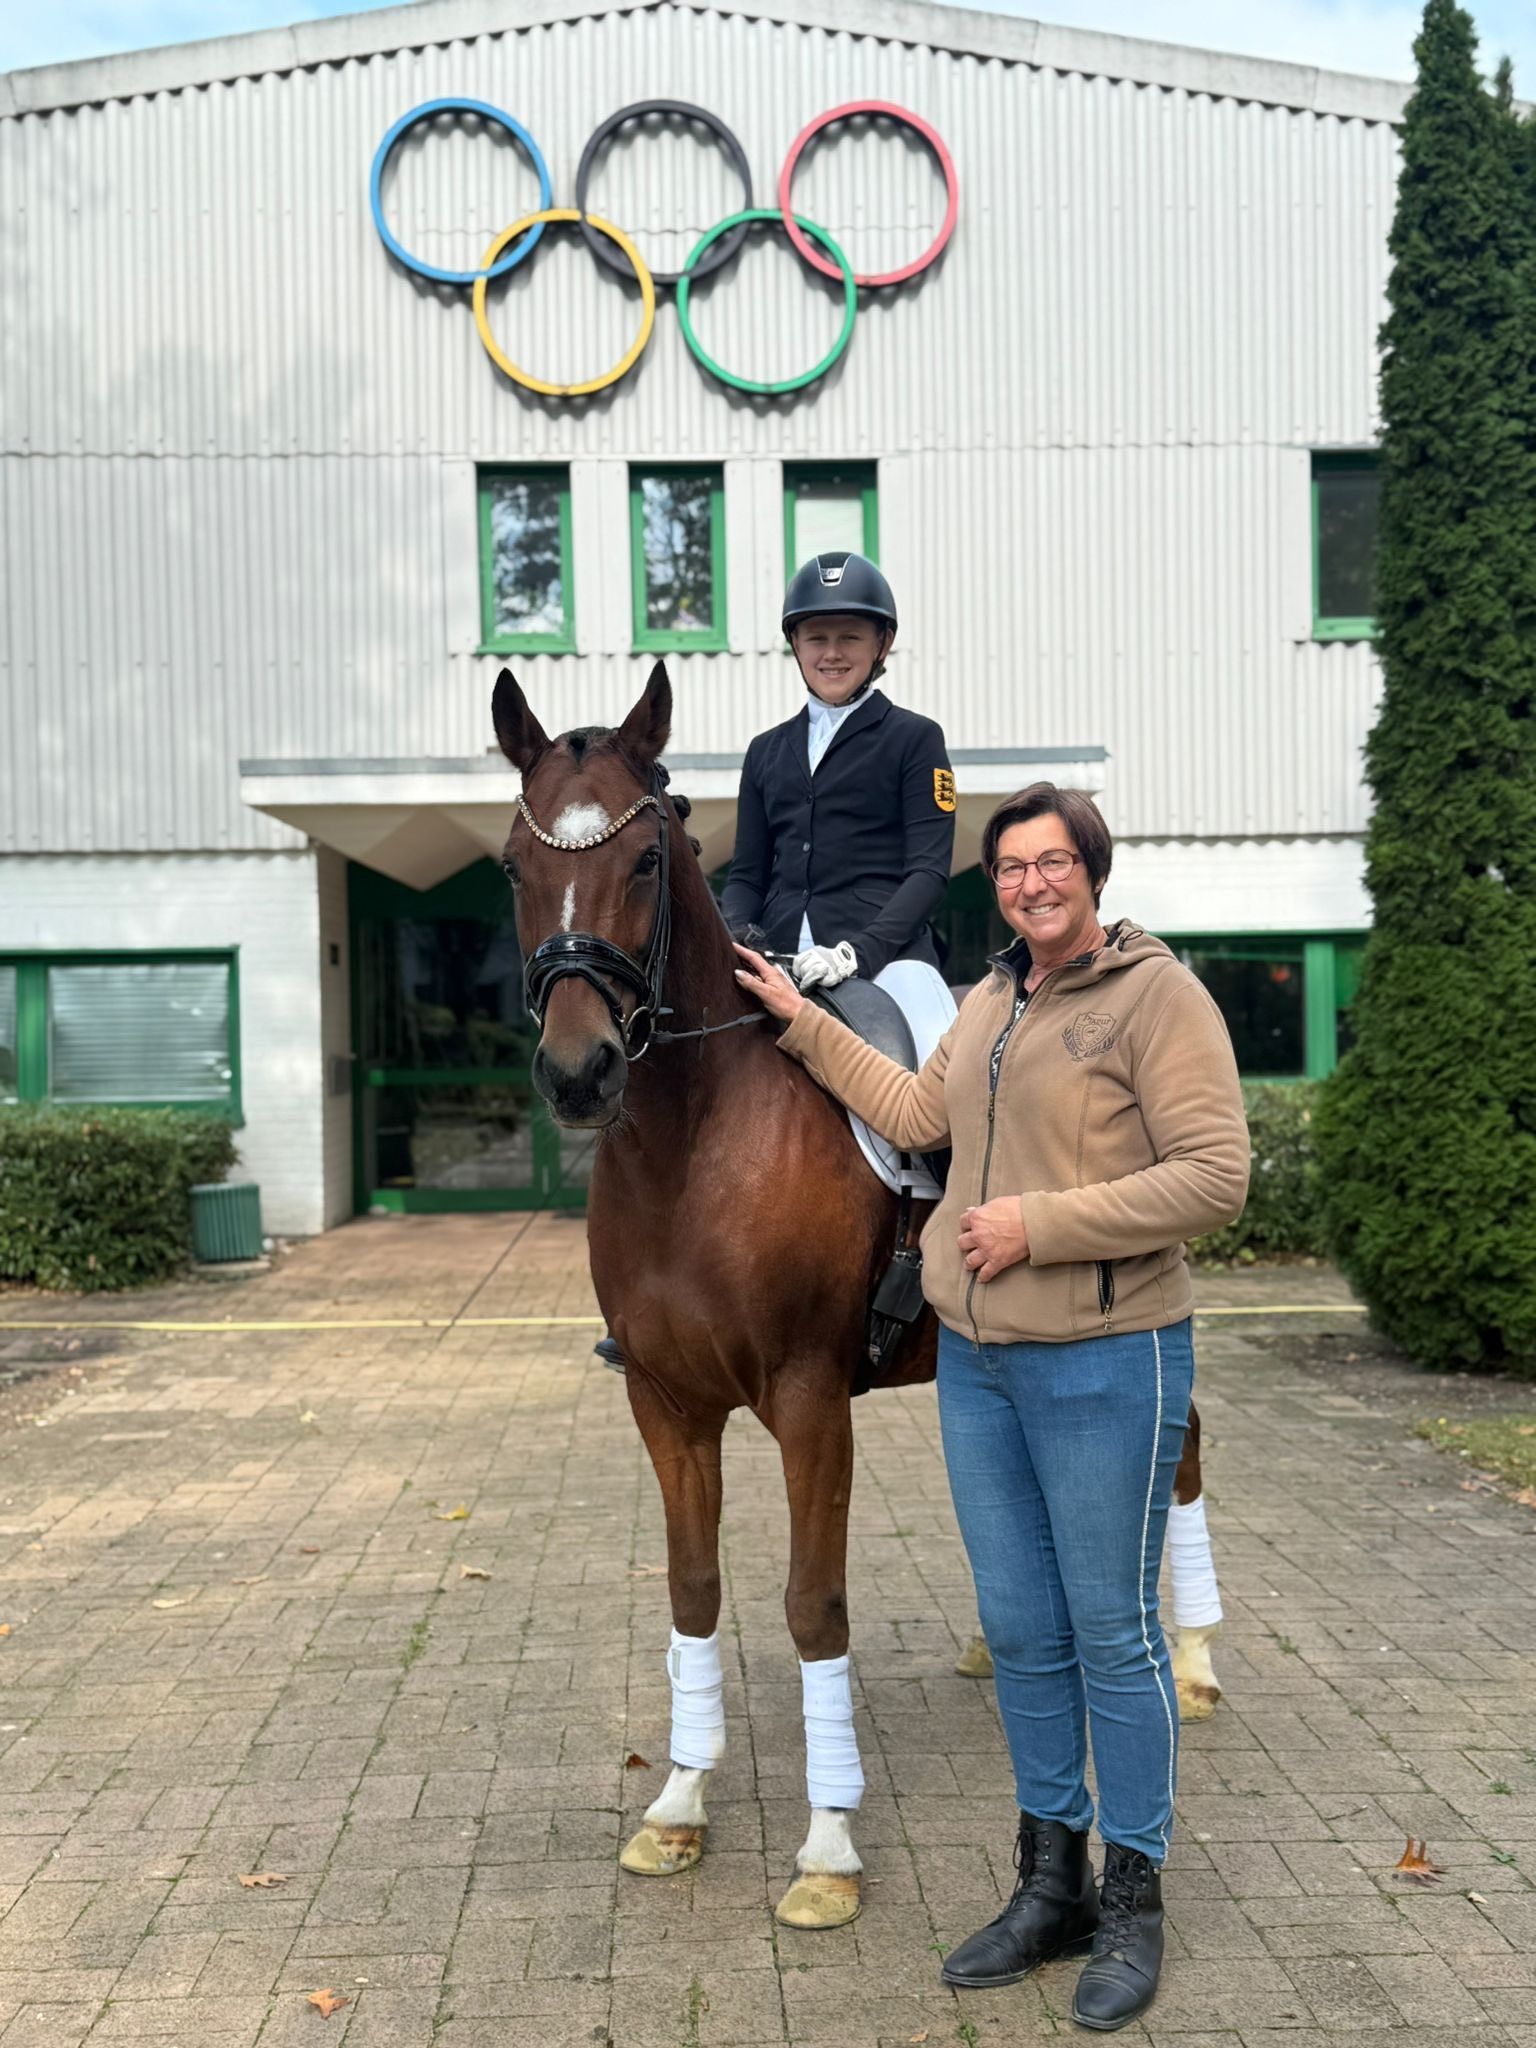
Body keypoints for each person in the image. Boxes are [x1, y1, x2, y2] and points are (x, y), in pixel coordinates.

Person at [732, 784, 1248, 2031]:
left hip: (1110, 1355)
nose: (1031, 883)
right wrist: (802, 1023)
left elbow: (1215, 1175)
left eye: (1052, 861)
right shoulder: (990, 998)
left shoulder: (1157, 997)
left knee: (1113, 1632)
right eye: (1011, 867)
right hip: (981, 1363)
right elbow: (918, 1114)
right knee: (1020, 1629)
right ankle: (1051, 1881)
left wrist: (1038, 1225)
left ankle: (1133, 1897)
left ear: (1093, 870)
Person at [594, 550, 957, 1369]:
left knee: (945, 1080)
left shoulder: (914, 739)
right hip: (780, 959)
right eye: (817, 637)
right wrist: (740, 935)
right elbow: (749, 872)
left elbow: (928, 870)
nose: (832, 652)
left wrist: (859, 950)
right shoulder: (767, 751)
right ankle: (654, 1291)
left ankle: (955, 1252)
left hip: (889, 961)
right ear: (796, 646)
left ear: (882, 645)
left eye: (850, 637)